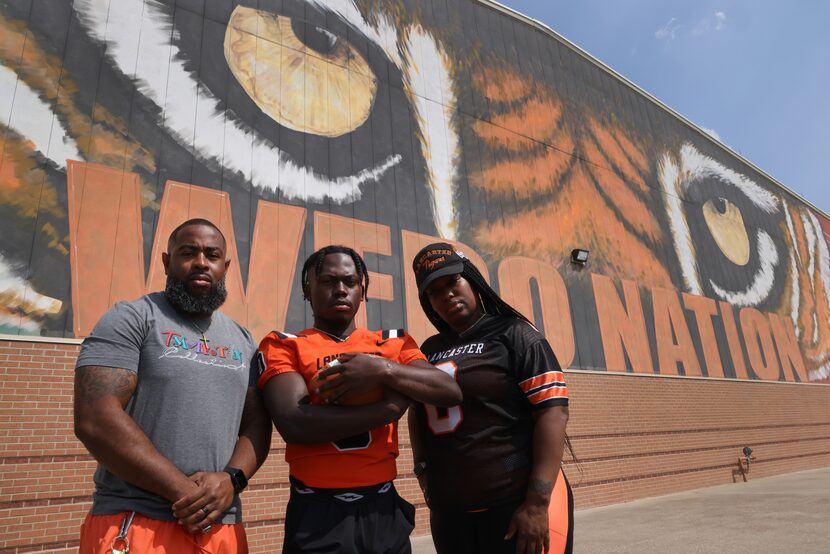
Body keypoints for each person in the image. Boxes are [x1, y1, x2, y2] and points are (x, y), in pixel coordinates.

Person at [74, 218, 272, 553]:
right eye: (188, 252)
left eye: (211, 255)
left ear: (225, 267)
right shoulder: (132, 317)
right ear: (167, 261)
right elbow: (95, 418)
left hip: (221, 528)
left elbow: (257, 423)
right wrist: (184, 491)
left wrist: (232, 479)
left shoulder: (244, 339)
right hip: (136, 523)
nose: (200, 262)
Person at [257, 245, 462, 553]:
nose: (340, 289)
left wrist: (382, 369)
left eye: (349, 281)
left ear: (362, 288)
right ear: (307, 288)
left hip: (382, 506)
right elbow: (294, 423)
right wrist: (388, 409)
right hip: (318, 510)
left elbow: (448, 391)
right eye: (328, 281)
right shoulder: (284, 344)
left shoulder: (392, 341)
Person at [409, 242, 573, 554]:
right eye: (434, 291)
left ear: (472, 279)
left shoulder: (515, 334)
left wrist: (537, 503)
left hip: (515, 505)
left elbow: (553, 413)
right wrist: (422, 470)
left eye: (453, 282)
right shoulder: (427, 350)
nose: (447, 295)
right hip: (452, 513)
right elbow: (417, 413)